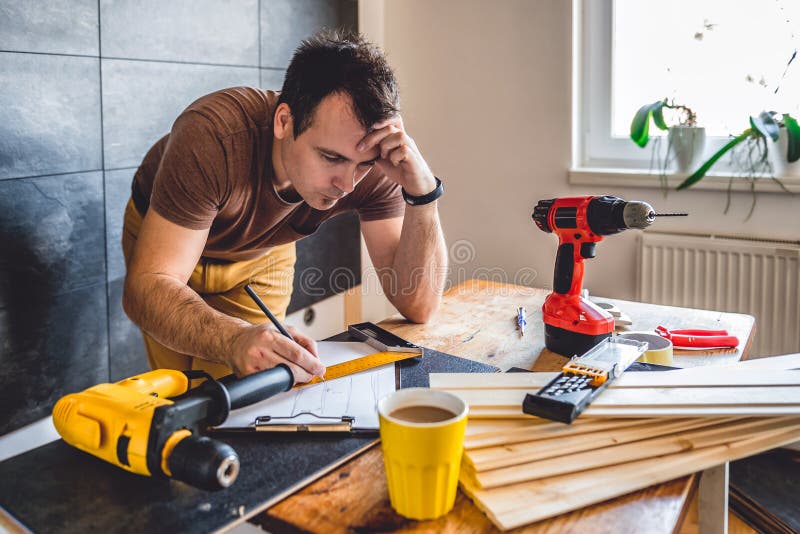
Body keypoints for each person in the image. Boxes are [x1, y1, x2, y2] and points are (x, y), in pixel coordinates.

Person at [121, 30, 447, 384]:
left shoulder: (374, 163)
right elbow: (146, 288)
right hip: (166, 239)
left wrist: (423, 194)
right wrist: (232, 337)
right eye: (331, 157)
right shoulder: (212, 136)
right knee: (182, 392)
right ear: (283, 121)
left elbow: (418, 306)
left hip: (262, 251)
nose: (348, 184)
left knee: (257, 382)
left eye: (362, 164)